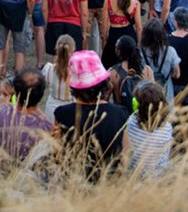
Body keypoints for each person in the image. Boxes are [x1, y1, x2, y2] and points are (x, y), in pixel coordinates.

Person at [53, 50, 131, 180]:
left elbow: (57, 155)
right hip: (109, 186)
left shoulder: (62, 114)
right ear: (103, 82)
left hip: (74, 185)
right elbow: (125, 156)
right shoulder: (119, 113)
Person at [0, 68, 53, 161]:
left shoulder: (2, 111)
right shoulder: (45, 127)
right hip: (23, 174)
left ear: (15, 93)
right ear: (42, 95)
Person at [124, 82, 172, 177]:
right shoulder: (167, 128)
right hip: (157, 179)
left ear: (137, 105)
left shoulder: (131, 122)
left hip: (134, 177)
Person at [100, 0, 142, 67]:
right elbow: (139, 28)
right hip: (130, 36)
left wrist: (104, 44)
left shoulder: (108, 1)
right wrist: (139, 45)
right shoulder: (135, 3)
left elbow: (104, 27)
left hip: (113, 37)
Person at [138, 19, 182, 100]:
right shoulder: (170, 51)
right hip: (166, 95)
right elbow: (177, 74)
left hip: (145, 94)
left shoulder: (139, 52)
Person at [42, 33, 78, 113]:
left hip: (52, 108)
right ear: (73, 51)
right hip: (71, 108)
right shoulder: (77, 71)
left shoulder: (49, 69)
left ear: (56, 50)